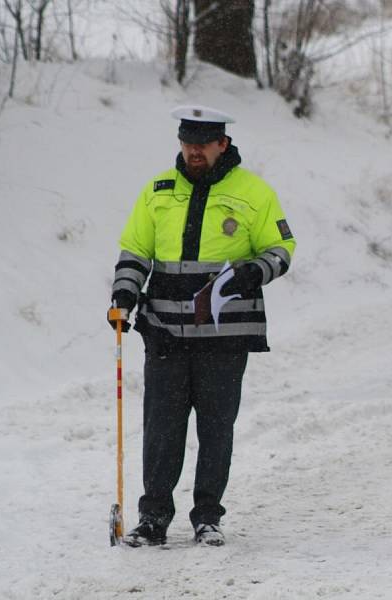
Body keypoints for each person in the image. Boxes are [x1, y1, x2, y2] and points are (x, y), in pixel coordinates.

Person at [107, 105, 296, 547]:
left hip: (224, 335)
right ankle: (153, 518)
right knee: (161, 428)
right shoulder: (158, 190)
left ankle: (207, 517)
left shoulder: (255, 192)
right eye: (187, 144)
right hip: (165, 331)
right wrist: (124, 295)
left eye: (202, 145)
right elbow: (135, 249)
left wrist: (255, 271)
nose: (193, 152)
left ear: (222, 144)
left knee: (215, 428)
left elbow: (281, 247)